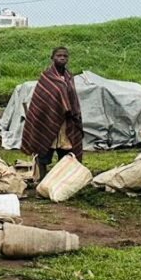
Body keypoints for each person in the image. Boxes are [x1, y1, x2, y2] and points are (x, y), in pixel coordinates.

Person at [20, 47, 84, 182]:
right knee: (44, 152)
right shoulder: (46, 77)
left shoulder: (69, 77)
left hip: (66, 123)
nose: (62, 58)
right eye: (59, 55)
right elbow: (41, 101)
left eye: (65, 56)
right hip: (48, 121)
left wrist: (74, 115)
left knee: (66, 153)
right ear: (52, 58)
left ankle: (62, 181)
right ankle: (42, 181)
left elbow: (72, 100)